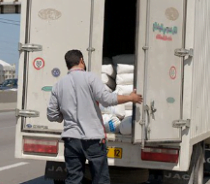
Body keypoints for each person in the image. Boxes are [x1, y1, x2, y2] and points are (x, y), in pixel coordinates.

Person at [46, 49, 143, 184]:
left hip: (71, 140)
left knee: (73, 179)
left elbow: (51, 115)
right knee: (100, 179)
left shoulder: (58, 85)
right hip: (93, 139)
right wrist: (130, 97)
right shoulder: (90, 78)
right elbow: (107, 99)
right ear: (81, 61)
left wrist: (61, 116)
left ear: (67, 64)